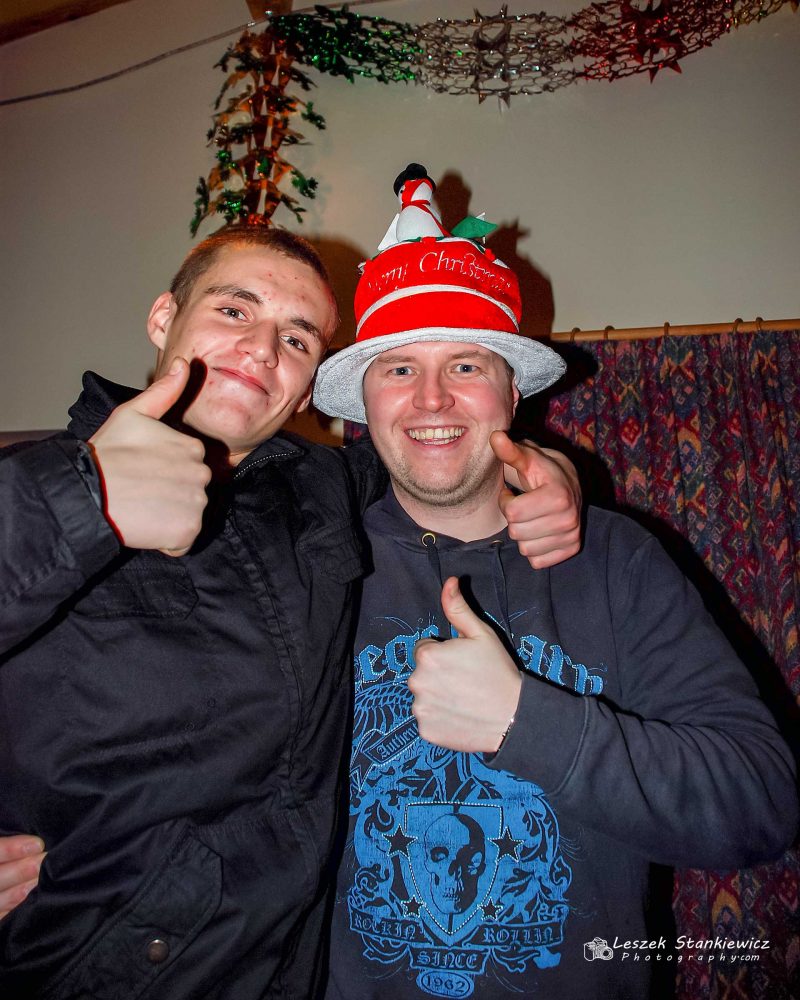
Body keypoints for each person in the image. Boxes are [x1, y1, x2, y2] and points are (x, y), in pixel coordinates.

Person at [0, 222, 579, 997]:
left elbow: (437, 447)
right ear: (164, 318)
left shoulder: (321, 488)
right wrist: (83, 501)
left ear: (306, 388)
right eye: (234, 310)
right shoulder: (34, 483)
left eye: (298, 338)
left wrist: (546, 467)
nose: (263, 349)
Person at [308, 168, 799, 999]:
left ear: (511, 391)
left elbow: (761, 803)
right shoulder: (308, 559)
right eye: (397, 369)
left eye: (466, 364)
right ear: (363, 399)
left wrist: (526, 723)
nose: (431, 399)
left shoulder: (618, 561)